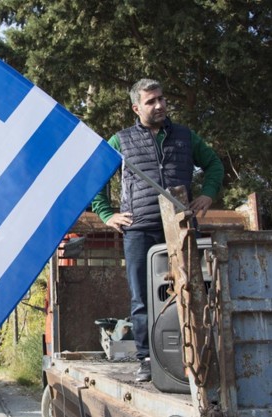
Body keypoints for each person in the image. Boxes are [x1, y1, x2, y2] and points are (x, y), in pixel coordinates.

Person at [92, 79, 224, 382]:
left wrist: (209, 193)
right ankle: (147, 360)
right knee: (142, 298)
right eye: (151, 101)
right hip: (139, 230)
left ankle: (200, 358)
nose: (160, 105)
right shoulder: (120, 141)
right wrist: (106, 213)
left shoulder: (186, 137)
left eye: (162, 99)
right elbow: (95, 176)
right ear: (137, 107)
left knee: (193, 291)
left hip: (180, 227)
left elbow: (214, 164)